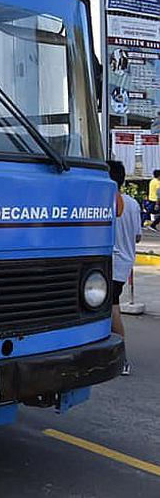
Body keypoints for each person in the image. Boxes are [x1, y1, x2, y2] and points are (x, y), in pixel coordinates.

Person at [108, 160, 138, 376]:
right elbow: (137, 236)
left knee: (112, 307)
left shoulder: (106, 202)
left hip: (112, 261)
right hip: (125, 262)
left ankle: (122, 358)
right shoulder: (133, 204)